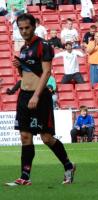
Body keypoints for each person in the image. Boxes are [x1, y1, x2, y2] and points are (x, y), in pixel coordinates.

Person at [5, 14, 75, 186]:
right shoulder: (23, 49)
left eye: (26, 28)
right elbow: (25, 76)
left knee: (46, 138)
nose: (23, 31)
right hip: (24, 95)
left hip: (40, 96)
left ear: (34, 26)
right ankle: (24, 177)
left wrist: (36, 95)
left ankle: (69, 166)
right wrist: (20, 69)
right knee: (25, 136)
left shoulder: (43, 46)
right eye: (20, 28)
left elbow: (47, 72)